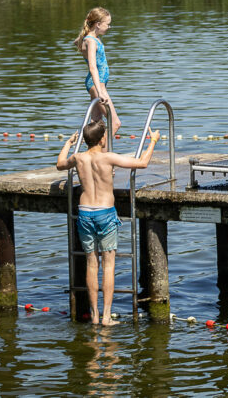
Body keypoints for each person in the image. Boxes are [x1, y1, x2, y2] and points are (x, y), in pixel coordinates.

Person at [56, 120, 159, 325]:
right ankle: (106, 317)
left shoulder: (78, 158)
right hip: (105, 212)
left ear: (85, 140)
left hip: (85, 213)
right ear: (103, 139)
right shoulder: (108, 157)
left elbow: (60, 164)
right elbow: (142, 163)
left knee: (91, 264)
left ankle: (94, 315)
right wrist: (153, 141)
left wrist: (68, 143)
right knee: (108, 265)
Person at [74, 7, 121, 135]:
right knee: (115, 123)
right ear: (98, 24)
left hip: (98, 84)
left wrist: (82, 41)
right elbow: (93, 67)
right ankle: (101, 154)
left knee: (96, 123)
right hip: (97, 85)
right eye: (108, 24)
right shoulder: (91, 41)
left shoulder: (91, 39)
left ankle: (93, 152)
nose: (109, 27)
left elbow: (76, 42)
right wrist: (100, 92)